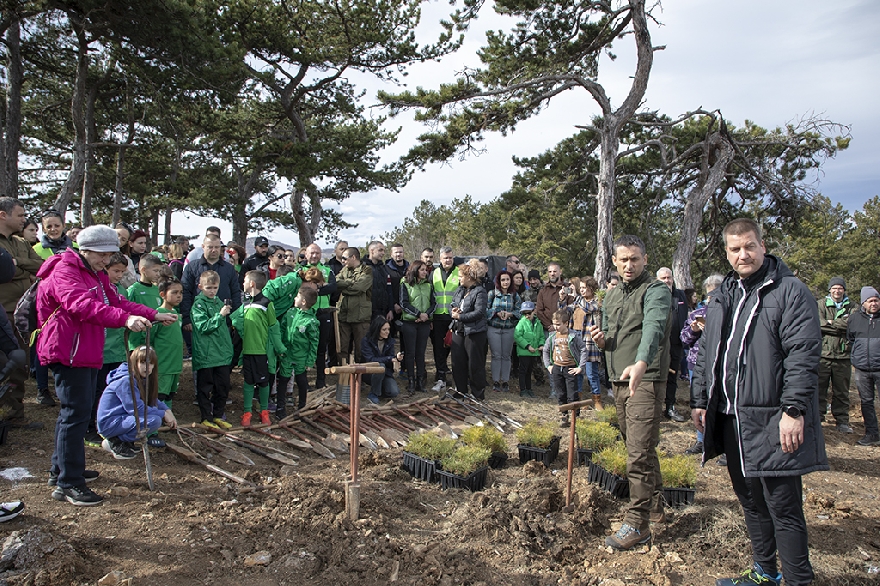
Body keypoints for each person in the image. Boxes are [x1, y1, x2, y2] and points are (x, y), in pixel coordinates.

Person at [690, 218, 827, 586]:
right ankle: (765, 571)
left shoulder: (790, 291)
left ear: (762, 246)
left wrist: (793, 410)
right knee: (750, 499)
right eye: (735, 249)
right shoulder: (724, 294)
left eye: (749, 246)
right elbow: (708, 351)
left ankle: (798, 579)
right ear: (727, 252)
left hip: (774, 419)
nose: (743, 254)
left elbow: (803, 354)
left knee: (783, 506)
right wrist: (701, 399)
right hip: (732, 417)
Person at [37, 225, 175, 506]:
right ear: (86, 249)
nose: (107, 260)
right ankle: (68, 483)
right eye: (104, 254)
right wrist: (124, 321)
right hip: (67, 350)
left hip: (85, 350)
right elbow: (81, 305)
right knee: (74, 414)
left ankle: (61, 469)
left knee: (77, 412)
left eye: (111, 254)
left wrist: (153, 314)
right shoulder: (66, 271)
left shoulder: (95, 274)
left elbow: (117, 301)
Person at [588, 234, 672, 551]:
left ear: (645, 259)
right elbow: (611, 338)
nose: (629, 264)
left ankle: (638, 524)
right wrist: (601, 342)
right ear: (614, 261)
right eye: (623, 259)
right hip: (619, 381)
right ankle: (656, 505)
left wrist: (640, 362)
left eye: (634, 258)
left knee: (637, 454)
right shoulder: (610, 297)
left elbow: (654, 327)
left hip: (645, 379)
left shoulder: (657, 291)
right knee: (640, 446)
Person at [0, 197, 43, 421]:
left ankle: (15, 415)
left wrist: (16, 262)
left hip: (23, 314)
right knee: (4, 363)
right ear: (3, 215)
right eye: (20, 215)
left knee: (20, 364)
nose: (24, 220)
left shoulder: (22, 243)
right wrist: (21, 268)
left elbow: (42, 265)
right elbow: (5, 272)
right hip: (3, 312)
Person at [97, 346, 178, 460]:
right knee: (153, 421)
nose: (148, 367)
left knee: (154, 419)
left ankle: (125, 442)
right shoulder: (126, 381)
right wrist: (163, 414)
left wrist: (167, 410)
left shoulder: (141, 379)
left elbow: (152, 400)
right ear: (134, 362)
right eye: (143, 363)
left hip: (122, 419)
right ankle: (115, 441)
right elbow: (136, 409)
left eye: (151, 364)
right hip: (110, 422)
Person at [85, 253, 131, 448]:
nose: (119, 275)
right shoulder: (98, 289)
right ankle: (90, 428)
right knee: (96, 391)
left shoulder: (121, 291)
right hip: (102, 349)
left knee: (113, 390)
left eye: (122, 271)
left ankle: (109, 427)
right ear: (105, 269)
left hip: (118, 350)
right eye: (115, 271)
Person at [129, 275, 183, 432]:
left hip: (175, 364)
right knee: (159, 396)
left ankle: (169, 423)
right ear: (162, 294)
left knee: (170, 395)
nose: (178, 296)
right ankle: (153, 429)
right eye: (174, 292)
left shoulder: (176, 314)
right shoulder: (158, 315)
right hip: (163, 365)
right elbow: (149, 339)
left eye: (181, 292)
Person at [679, 273, 724, 456]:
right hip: (696, 365)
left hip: (721, 365)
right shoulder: (697, 314)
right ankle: (701, 440)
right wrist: (693, 330)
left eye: (715, 295)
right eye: (708, 295)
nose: (710, 299)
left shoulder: (729, 311)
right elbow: (683, 339)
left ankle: (724, 444)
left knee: (721, 403)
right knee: (699, 402)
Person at [232, 270, 283, 426]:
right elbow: (236, 318)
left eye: (245, 281)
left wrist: (279, 348)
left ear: (252, 284)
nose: (243, 284)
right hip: (247, 351)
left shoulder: (267, 303)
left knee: (263, 382)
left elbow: (274, 327)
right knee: (248, 382)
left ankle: (264, 411)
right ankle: (247, 413)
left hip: (262, 352)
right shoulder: (245, 303)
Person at [191, 271, 234, 429]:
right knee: (205, 387)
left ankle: (218, 415)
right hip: (206, 354)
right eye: (208, 287)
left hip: (221, 354)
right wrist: (220, 316)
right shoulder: (198, 305)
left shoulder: (218, 303)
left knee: (222, 386)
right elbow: (203, 326)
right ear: (200, 287)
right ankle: (206, 417)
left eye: (215, 287)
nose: (212, 291)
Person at [817, 277, 855, 433]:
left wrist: (830, 323)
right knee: (819, 389)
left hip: (843, 355)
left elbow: (851, 324)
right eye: (834, 288)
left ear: (844, 290)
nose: (837, 291)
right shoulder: (820, 304)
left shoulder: (852, 306)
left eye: (840, 288)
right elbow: (817, 323)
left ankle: (842, 421)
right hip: (823, 354)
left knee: (842, 391)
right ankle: (818, 418)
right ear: (830, 290)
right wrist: (838, 324)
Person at [450, 259, 489, 400]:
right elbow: (453, 303)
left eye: (461, 276)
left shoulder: (480, 292)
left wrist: (461, 317)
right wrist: (454, 310)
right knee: (457, 362)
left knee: (474, 365)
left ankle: (477, 394)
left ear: (469, 277)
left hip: (474, 333)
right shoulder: (460, 289)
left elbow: (479, 312)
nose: (459, 278)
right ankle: (460, 391)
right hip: (458, 331)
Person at [847, 286, 880, 447]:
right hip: (861, 369)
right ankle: (872, 433)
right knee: (866, 402)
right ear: (863, 303)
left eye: (876, 300)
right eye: (870, 300)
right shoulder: (854, 319)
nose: (874, 303)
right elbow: (851, 339)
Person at [301, 243, 337, 389]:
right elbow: (302, 289)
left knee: (321, 349)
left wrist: (315, 289)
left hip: (324, 313)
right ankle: (303, 382)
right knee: (303, 347)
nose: (314, 255)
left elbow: (333, 287)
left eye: (317, 253)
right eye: (312, 253)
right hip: (306, 313)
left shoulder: (328, 270)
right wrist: (322, 287)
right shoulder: (300, 270)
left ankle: (321, 381)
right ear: (306, 254)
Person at [544, 308, 588, 425]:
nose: (556, 327)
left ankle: (575, 416)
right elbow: (545, 350)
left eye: (558, 324)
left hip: (570, 368)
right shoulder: (552, 336)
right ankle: (564, 415)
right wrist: (548, 365)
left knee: (572, 393)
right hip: (557, 368)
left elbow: (583, 349)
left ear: (566, 323)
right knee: (560, 393)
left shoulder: (573, 336)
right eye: (554, 324)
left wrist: (580, 367)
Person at [280, 285, 320, 415]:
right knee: (283, 380)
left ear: (303, 302)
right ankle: (280, 408)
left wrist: (310, 361)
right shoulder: (290, 313)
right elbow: (281, 329)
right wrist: (280, 347)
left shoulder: (311, 321)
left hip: (301, 356)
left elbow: (314, 343)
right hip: (287, 353)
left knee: (301, 381)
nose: (295, 298)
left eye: (297, 296)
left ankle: (301, 408)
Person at [656, 267, 688, 423]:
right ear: (658, 280)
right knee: (657, 376)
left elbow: (684, 317)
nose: (667, 280)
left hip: (676, 344)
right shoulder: (653, 295)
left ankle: (670, 407)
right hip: (659, 345)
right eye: (663, 278)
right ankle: (655, 409)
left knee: (673, 376)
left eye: (669, 277)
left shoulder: (680, 295)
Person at [399, 260, 435, 395]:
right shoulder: (405, 283)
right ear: (415, 270)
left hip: (424, 323)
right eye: (422, 270)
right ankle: (411, 382)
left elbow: (433, 303)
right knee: (410, 353)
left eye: (426, 270)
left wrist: (426, 315)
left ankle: (420, 381)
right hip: (410, 322)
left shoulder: (428, 285)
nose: (425, 272)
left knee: (421, 353)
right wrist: (418, 314)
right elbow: (404, 303)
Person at [537, 263, 571, 399]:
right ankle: (554, 389)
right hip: (549, 330)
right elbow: (539, 310)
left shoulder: (567, 289)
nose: (552, 274)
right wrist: (549, 325)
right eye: (550, 272)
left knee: (565, 359)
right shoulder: (543, 291)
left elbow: (571, 308)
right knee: (551, 360)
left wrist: (562, 326)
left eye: (555, 271)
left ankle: (567, 389)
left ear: (560, 272)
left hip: (565, 330)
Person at [569, 276, 603, 410]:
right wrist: (562, 298)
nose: (581, 291)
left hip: (589, 341)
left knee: (591, 373)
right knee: (577, 372)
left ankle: (597, 400)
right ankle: (579, 400)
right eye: (580, 288)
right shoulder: (578, 301)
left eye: (584, 288)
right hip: (576, 339)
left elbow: (589, 308)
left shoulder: (596, 302)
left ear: (591, 288)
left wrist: (576, 298)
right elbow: (565, 310)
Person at [486, 270, 521, 393]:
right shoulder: (492, 294)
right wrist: (496, 313)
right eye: (503, 280)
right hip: (494, 327)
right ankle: (496, 381)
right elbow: (484, 310)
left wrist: (510, 314)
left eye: (507, 279)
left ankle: (505, 381)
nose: (505, 282)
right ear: (498, 282)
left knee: (506, 356)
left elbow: (520, 311)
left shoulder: (515, 295)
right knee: (496, 355)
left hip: (508, 328)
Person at [336, 247, 372, 364]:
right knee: (342, 347)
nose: (343, 261)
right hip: (344, 314)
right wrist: (351, 282)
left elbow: (360, 287)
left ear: (353, 257)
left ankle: (360, 377)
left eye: (345, 258)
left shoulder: (367, 270)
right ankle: (344, 375)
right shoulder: (344, 270)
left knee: (361, 349)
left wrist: (345, 287)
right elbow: (336, 282)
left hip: (360, 316)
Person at [430, 246, 459, 391]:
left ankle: (456, 377)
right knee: (438, 348)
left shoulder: (459, 272)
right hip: (437, 316)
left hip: (454, 317)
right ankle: (440, 375)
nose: (448, 260)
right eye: (445, 258)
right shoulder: (434, 273)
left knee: (454, 346)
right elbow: (430, 295)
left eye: (450, 257)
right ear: (440, 259)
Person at [361, 316, 402, 404]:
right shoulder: (366, 341)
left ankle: (378, 388)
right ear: (377, 329)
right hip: (368, 372)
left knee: (394, 392)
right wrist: (389, 358)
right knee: (380, 366)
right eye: (384, 329)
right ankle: (374, 394)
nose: (387, 332)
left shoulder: (390, 341)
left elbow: (391, 360)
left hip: (386, 373)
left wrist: (397, 359)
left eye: (388, 329)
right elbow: (370, 359)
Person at [514, 301, 543, 398]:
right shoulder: (521, 322)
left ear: (534, 311)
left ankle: (529, 389)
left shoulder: (538, 323)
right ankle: (523, 390)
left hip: (534, 353)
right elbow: (517, 336)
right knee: (523, 371)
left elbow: (541, 336)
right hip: (524, 352)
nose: (527, 315)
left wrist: (541, 344)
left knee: (529, 371)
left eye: (529, 313)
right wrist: (527, 346)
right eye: (524, 313)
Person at [386, 242, 409, 337]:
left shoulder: (410, 268)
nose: (398, 254)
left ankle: (404, 352)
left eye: (400, 252)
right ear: (391, 254)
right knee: (389, 336)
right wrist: (393, 305)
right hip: (392, 307)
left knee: (406, 337)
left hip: (407, 307)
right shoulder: (386, 269)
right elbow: (386, 289)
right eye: (396, 252)